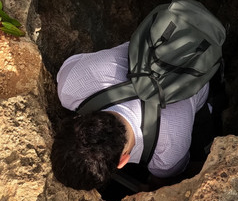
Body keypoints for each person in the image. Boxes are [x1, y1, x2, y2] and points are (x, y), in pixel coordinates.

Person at [51, 41, 210, 191]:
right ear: (76, 119)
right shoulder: (70, 85)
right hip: (170, 36)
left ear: (123, 162)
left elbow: (164, 183)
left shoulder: (168, 153)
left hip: (205, 72)